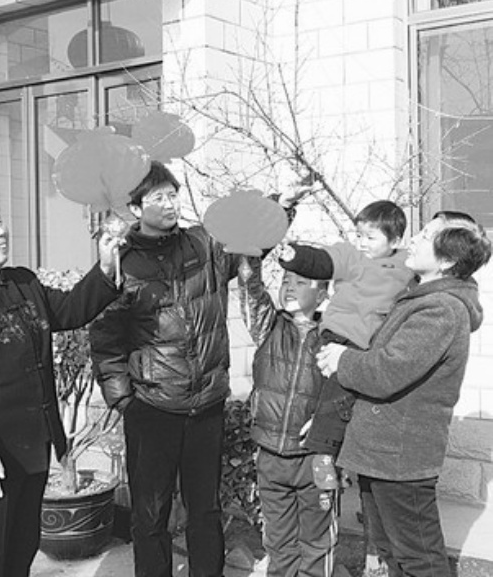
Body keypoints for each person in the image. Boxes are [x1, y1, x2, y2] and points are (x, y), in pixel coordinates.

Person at [89, 161, 305, 577]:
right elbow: (106, 338)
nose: (170, 204)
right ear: (136, 208)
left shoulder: (204, 245)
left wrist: (283, 205)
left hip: (205, 404)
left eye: (173, 194)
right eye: (158, 197)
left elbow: (250, 236)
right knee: (151, 516)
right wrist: (124, 400)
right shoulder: (122, 263)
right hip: (152, 407)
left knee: (205, 510)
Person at [0, 195, 122, 577]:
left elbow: (71, 309)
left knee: (18, 560)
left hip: (28, 455)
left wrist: (106, 268)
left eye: (0, 220)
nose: (2, 230)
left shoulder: (22, 282)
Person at [316, 210, 491, 577]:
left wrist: (342, 358)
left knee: (419, 559)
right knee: (393, 552)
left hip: (400, 457)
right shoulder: (419, 296)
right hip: (381, 453)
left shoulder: (440, 309)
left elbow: (387, 371)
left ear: (447, 261)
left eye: (425, 236)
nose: (413, 239)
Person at [278, 200, 413, 485]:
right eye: (359, 235)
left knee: (353, 401)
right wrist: (295, 256)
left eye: (370, 238)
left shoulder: (406, 264)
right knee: (337, 393)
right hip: (341, 335)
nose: (362, 243)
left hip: (370, 345)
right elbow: (322, 262)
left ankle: (341, 456)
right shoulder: (352, 256)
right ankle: (323, 453)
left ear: (395, 241)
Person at [238, 256, 337, 577]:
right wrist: (252, 250)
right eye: (285, 281)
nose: (290, 288)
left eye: (301, 283)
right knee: (278, 541)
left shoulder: (335, 335)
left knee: (317, 541)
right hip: (271, 456)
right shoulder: (269, 325)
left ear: (321, 295)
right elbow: (250, 286)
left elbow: (346, 393)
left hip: (317, 458)